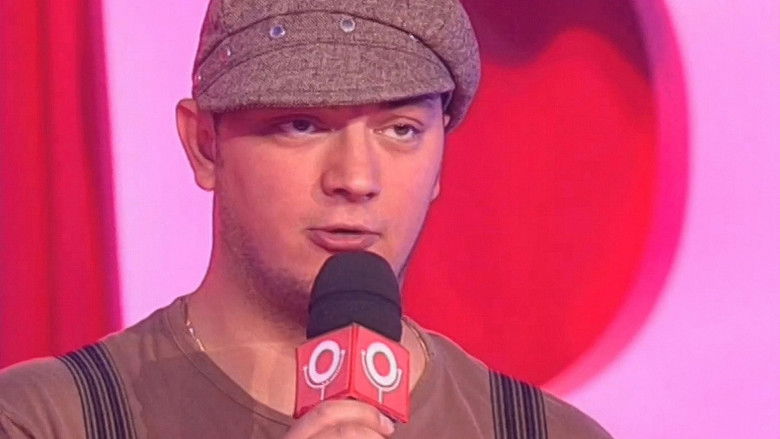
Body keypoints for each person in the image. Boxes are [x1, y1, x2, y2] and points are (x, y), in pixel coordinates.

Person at [0, 0, 613, 437]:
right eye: (302, 125)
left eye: (401, 130)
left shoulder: (547, 432)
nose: (356, 178)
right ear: (204, 146)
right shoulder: (44, 421)